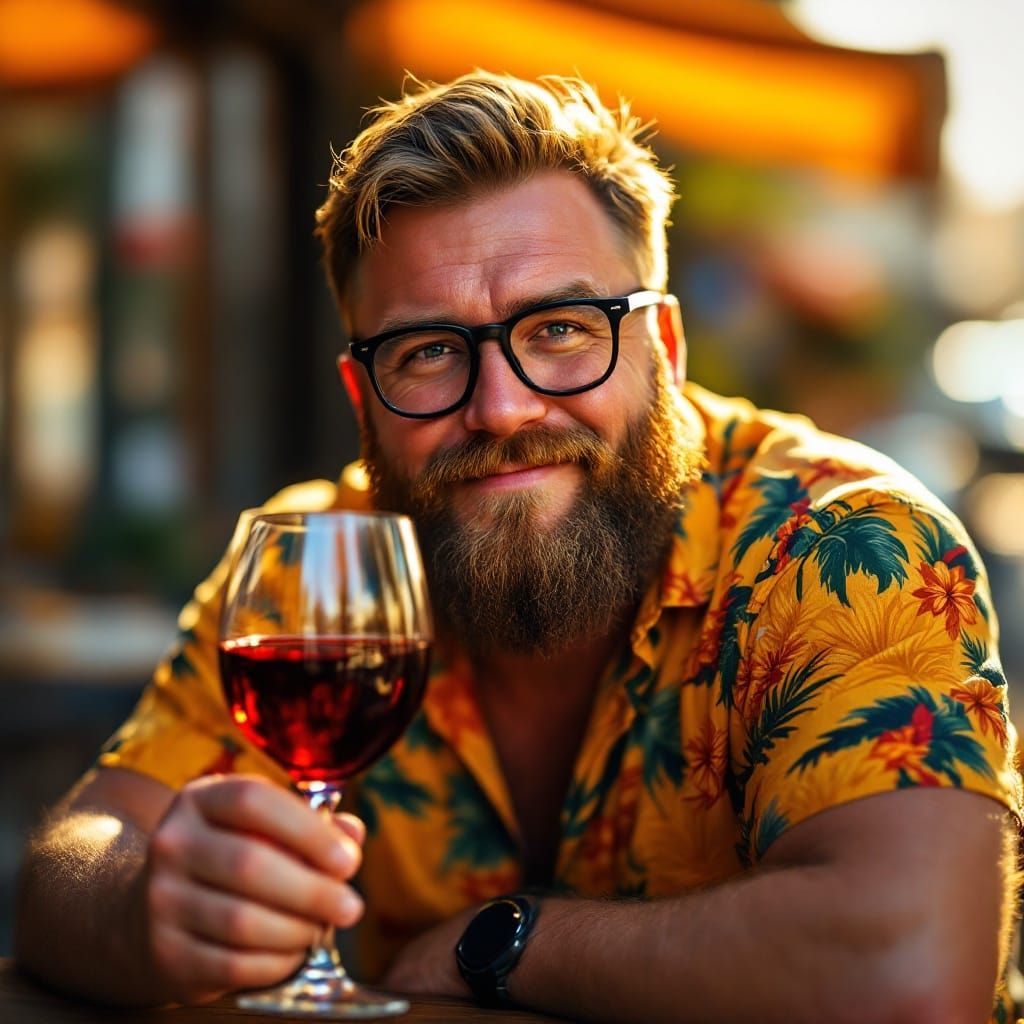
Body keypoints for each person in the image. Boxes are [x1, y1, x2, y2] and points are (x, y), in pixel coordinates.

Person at [15, 71, 1023, 1023]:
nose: (500, 408)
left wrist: (497, 945)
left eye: (560, 330)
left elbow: (910, 973)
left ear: (662, 351)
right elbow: (70, 861)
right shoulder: (318, 564)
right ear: (363, 396)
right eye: (426, 352)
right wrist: (143, 899)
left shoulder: (836, 539)